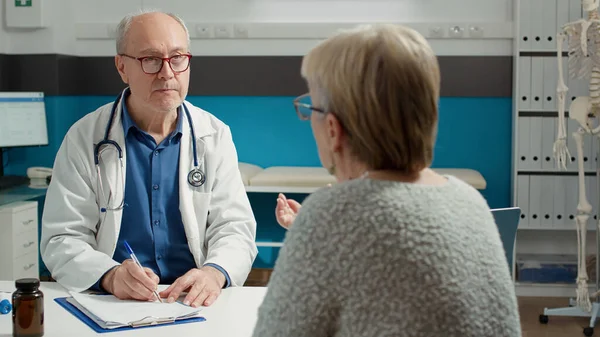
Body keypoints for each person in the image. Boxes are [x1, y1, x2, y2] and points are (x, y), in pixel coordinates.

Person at [254, 24, 521, 336]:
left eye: (309, 107)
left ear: (332, 129)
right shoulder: (469, 200)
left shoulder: (332, 214)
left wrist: (328, 219)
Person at [40, 10, 257, 308]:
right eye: (150, 59)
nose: (167, 73)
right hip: (113, 301)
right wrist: (110, 275)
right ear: (122, 67)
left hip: (192, 300)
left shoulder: (213, 136)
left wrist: (214, 273)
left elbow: (234, 228)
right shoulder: (84, 138)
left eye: (178, 58)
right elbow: (62, 237)